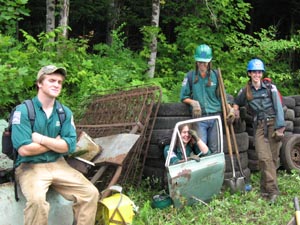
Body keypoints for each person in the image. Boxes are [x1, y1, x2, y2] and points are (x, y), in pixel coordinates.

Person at [12, 65, 99, 225]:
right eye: (51, 80)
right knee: (37, 201)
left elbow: (70, 146)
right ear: (40, 83)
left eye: (59, 82)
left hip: (58, 164)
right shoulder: (23, 111)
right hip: (30, 166)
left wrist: (41, 139)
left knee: (90, 193)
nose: (56, 84)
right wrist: (57, 142)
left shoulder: (64, 112)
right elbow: (24, 149)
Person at [233, 58, 285, 204]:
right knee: (263, 158)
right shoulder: (245, 91)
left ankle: (264, 189)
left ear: (262, 73)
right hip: (259, 127)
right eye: (254, 72)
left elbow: (278, 107)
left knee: (272, 159)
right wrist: (235, 111)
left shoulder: (270, 88)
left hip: (273, 124)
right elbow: (236, 103)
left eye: (259, 72)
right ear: (249, 73)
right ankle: (273, 191)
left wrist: (280, 127)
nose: (256, 74)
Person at [180, 44, 234, 153]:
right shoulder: (190, 76)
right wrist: (193, 103)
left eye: (204, 62)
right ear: (196, 61)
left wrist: (229, 108)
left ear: (209, 61)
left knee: (216, 150)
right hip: (200, 118)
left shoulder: (216, 75)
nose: (202, 64)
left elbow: (222, 96)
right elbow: (183, 97)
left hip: (215, 117)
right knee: (201, 149)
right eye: (200, 62)